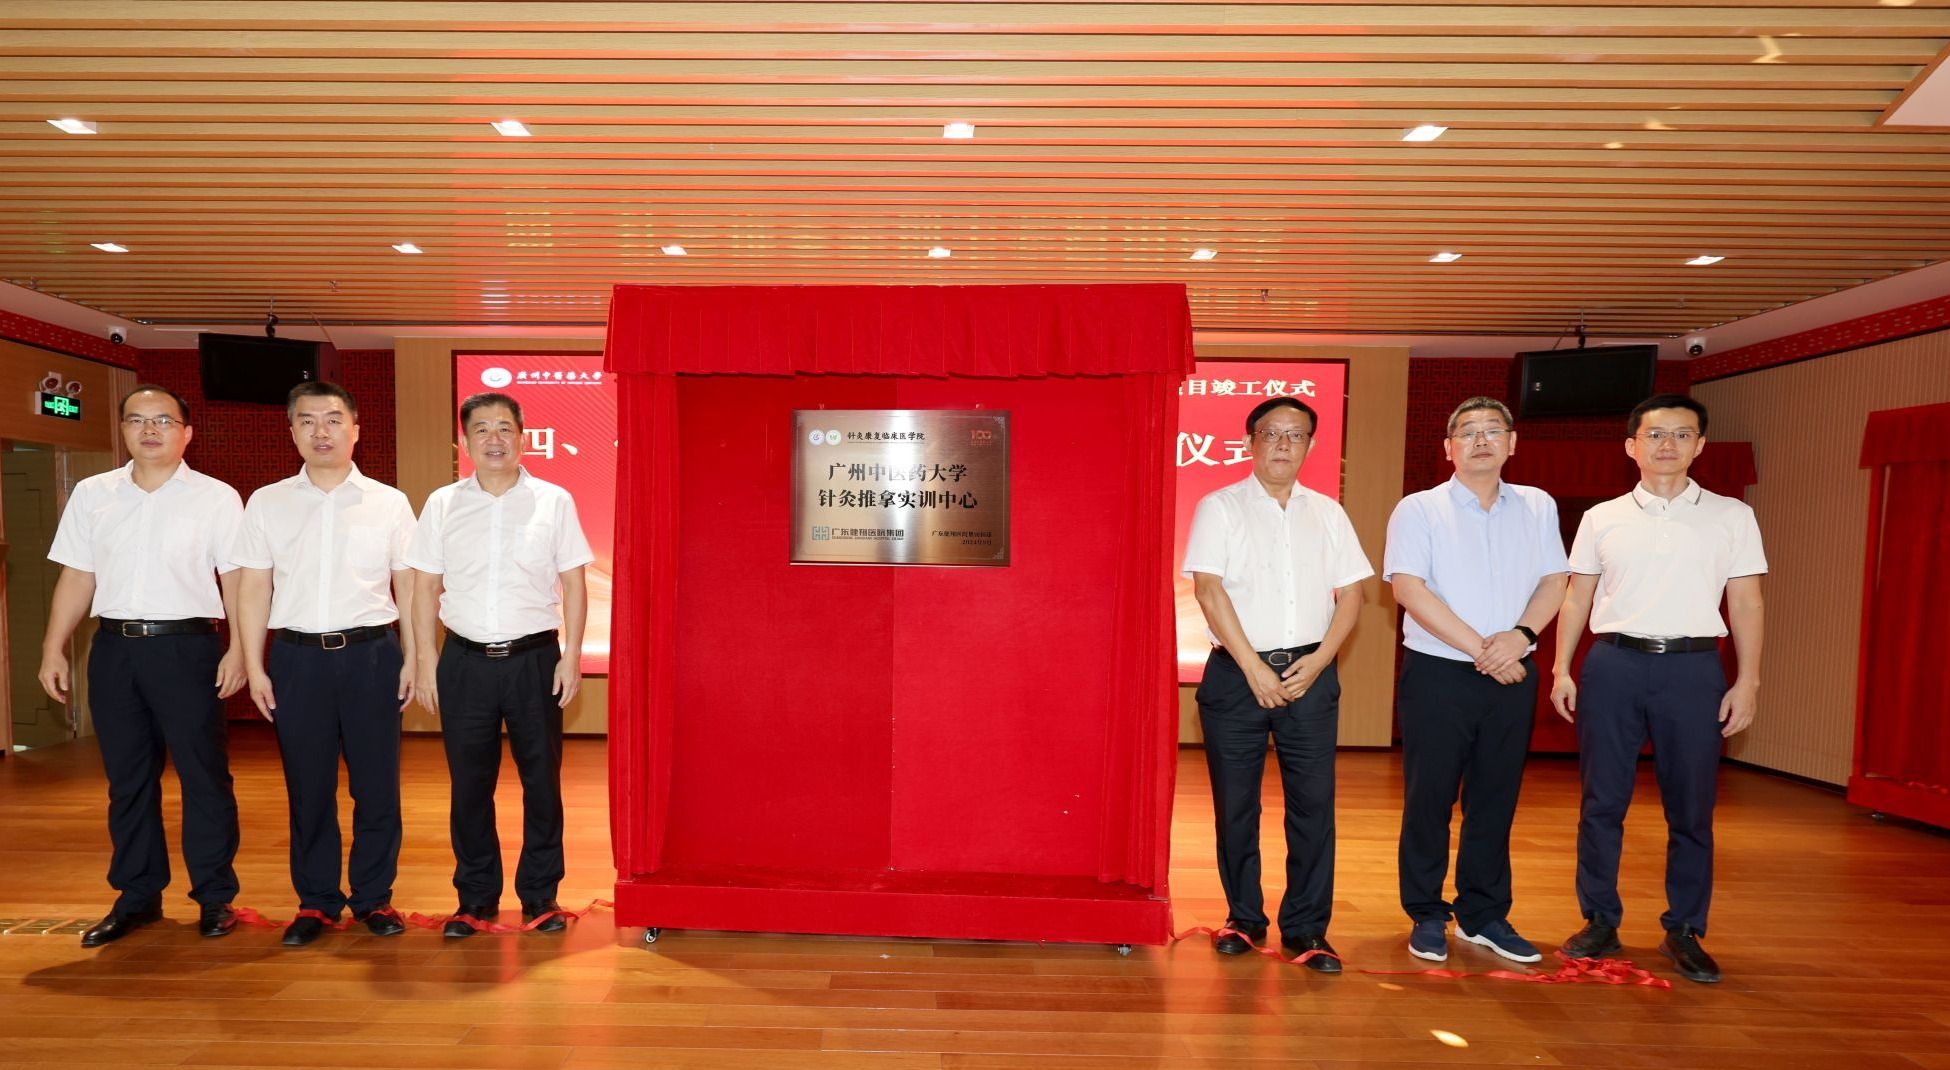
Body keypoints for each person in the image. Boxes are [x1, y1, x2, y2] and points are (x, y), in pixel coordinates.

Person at [1551, 393, 1766, 984]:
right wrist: (1562, 668)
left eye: (1681, 434)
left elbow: (1747, 602)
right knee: (1602, 803)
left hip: (1694, 671)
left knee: (1692, 807)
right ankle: (1599, 920)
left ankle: (1685, 929)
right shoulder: (1602, 517)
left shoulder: (1731, 516)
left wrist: (1747, 681)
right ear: (1632, 446)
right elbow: (1577, 596)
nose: (1667, 444)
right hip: (1614, 665)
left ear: (1700, 445)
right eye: (1655, 434)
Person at [37, 384, 247, 946]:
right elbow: (78, 575)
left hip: (189, 648)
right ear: (123, 430)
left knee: (204, 776)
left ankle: (214, 896)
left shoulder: (217, 497)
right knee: (128, 780)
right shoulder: (93, 493)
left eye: (162, 420)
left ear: (187, 432)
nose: (149, 430)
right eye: (136, 420)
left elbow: (236, 578)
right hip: (115, 649)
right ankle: (137, 897)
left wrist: (239, 649)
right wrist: (53, 646)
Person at [1182, 396, 1372, 972]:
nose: (1284, 444)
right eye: (1272, 433)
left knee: (1313, 807)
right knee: (1235, 806)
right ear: (1249, 442)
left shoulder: (1329, 513)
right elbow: (1208, 590)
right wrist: (1254, 668)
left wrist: (1319, 663)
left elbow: (1353, 595)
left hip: (1311, 675)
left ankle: (1308, 928)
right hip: (1237, 676)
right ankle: (1243, 918)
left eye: (1296, 435)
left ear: (1312, 445)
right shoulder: (1219, 507)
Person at [1384, 396, 1568, 964]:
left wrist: (1522, 636)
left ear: (1512, 443)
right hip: (1440, 673)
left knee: (1496, 797)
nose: (1481, 440)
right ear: (1449, 448)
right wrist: (1483, 650)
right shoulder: (1418, 509)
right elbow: (1408, 589)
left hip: (1514, 670)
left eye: (1493, 430)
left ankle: (1483, 914)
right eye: (1467, 432)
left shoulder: (1537, 505)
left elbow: (1554, 579)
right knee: (1430, 797)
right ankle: (1426, 912)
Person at [234, 382, 419, 947]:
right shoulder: (267, 502)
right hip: (296, 659)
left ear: (355, 429)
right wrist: (255, 666)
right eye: (308, 421)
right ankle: (316, 902)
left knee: (376, 786)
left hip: (372, 656)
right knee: (308, 787)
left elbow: (409, 585)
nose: (322, 431)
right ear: (291, 431)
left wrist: (415, 656)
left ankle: (373, 898)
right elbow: (253, 588)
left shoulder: (389, 502)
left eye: (334, 420)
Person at [407, 391, 593, 937]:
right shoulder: (442, 503)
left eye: (504, 428)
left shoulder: (554, 501)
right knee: (469, 786)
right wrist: (425, 659)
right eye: (482, 429)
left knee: (542, 783)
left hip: (534, 660)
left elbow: (574, 583)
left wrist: (571, 656)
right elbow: (424, 587)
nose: (494, 439)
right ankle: (475, 898)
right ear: (464, 442)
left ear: (522, 438)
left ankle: (540, 895)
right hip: (464, 661)